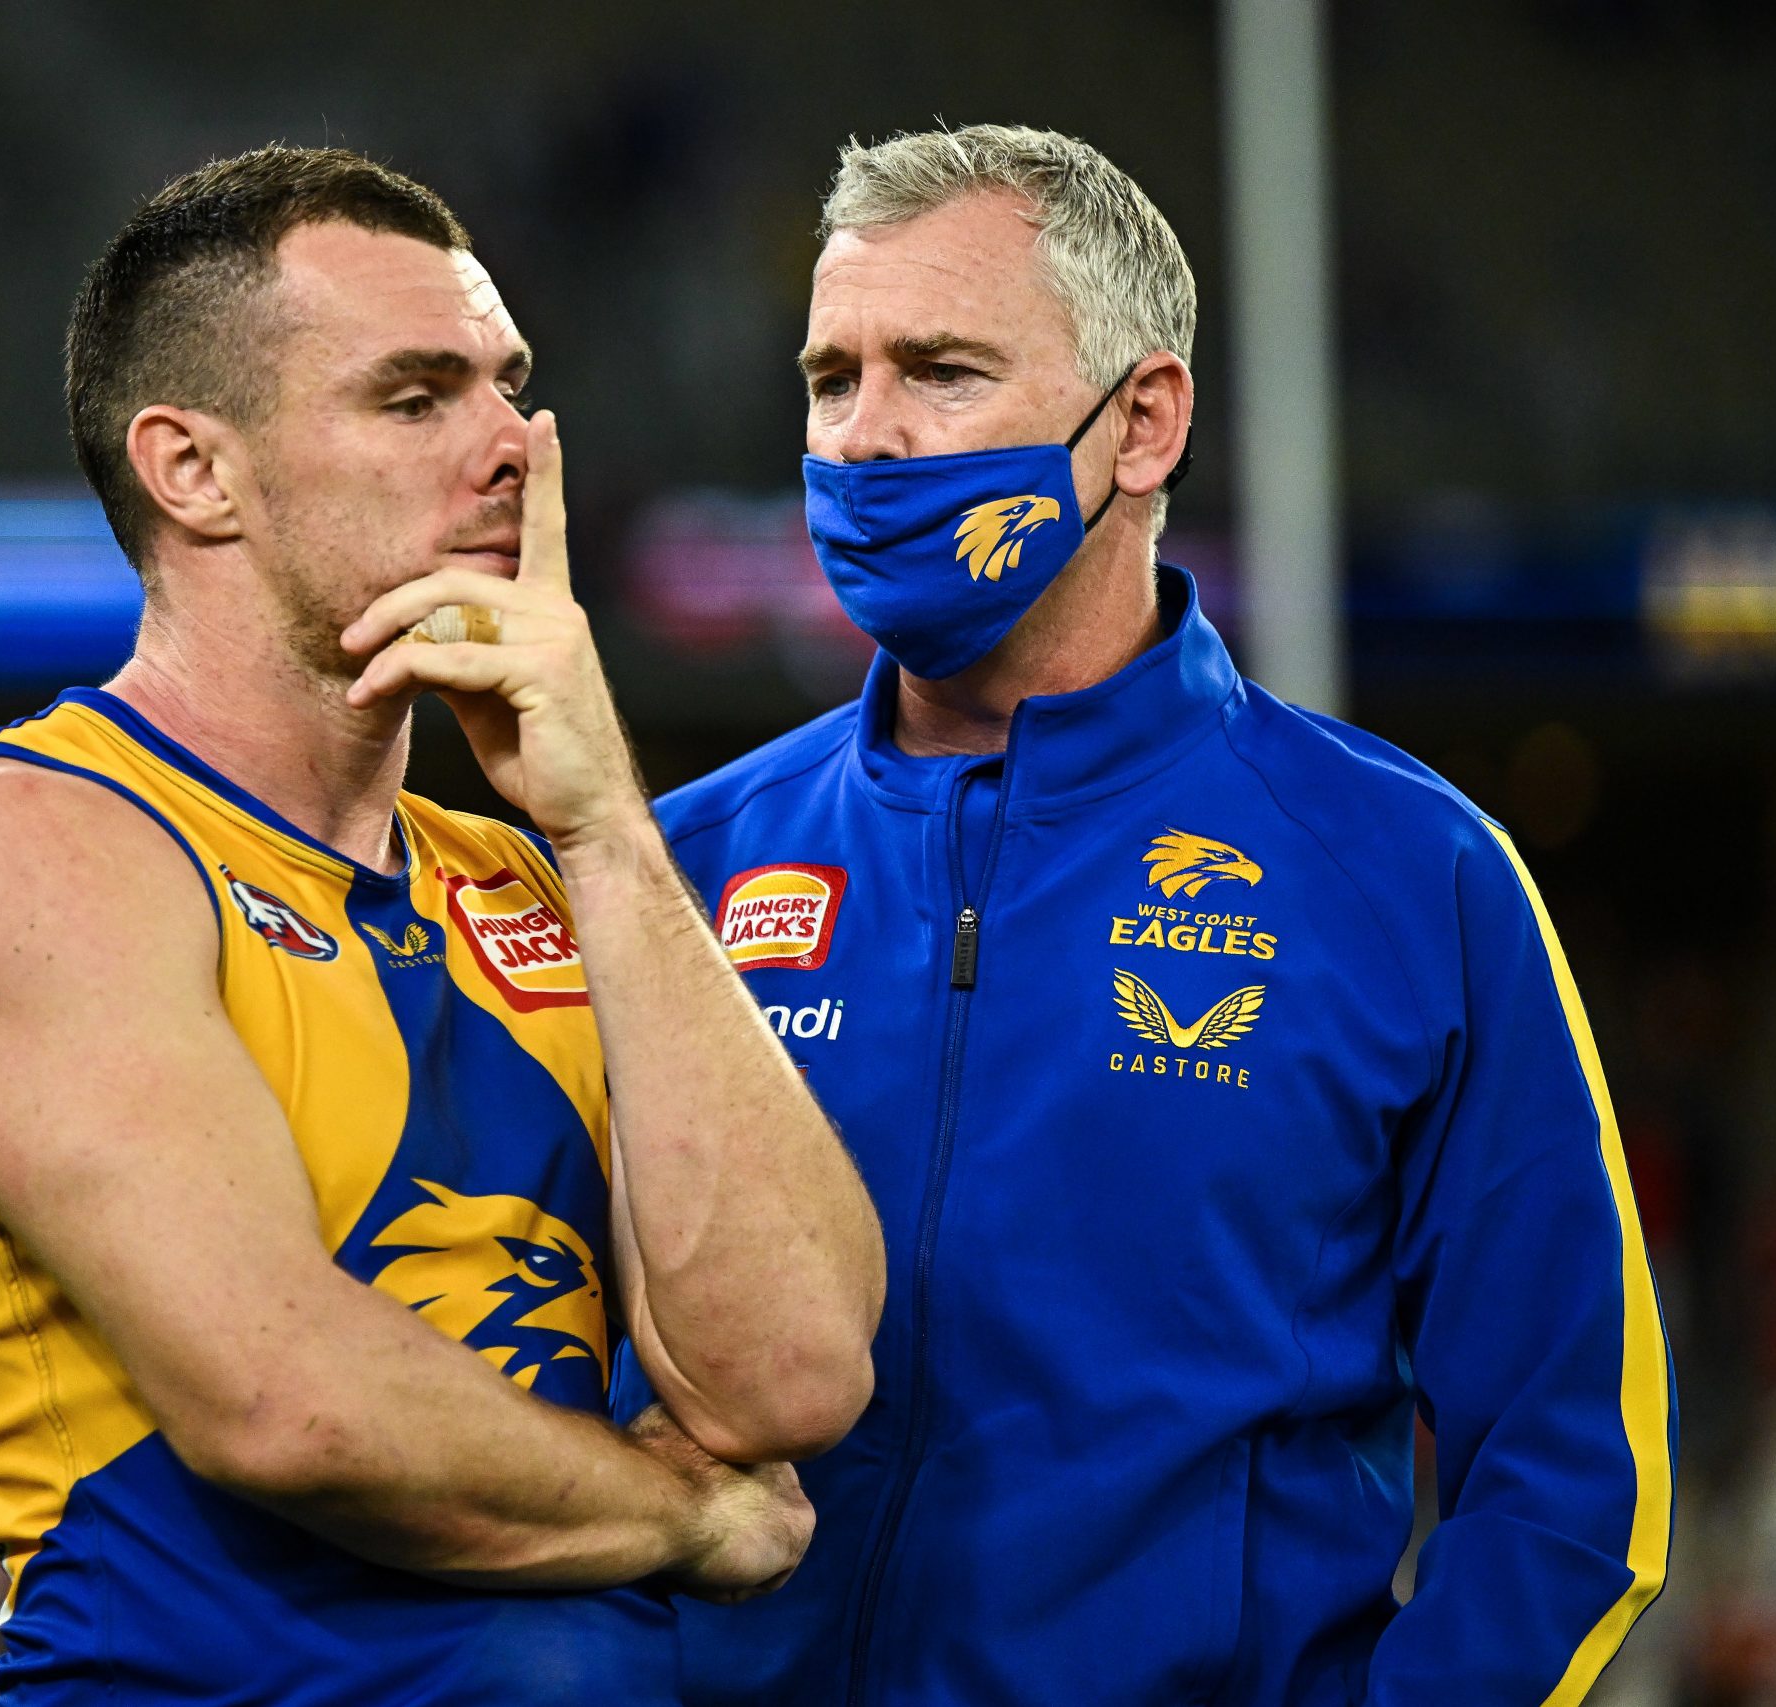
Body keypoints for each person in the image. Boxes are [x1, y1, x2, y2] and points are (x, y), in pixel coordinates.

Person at [0, 146, 883, 1706]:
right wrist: (685, 1514)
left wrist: (606, 833)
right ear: (194, 470)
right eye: (415, 397)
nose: (511, 446)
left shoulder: (534, 877)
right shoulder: (30, 850)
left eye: (509, 387)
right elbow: (282, 1400)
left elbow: (791, 1375)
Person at [613, 124, 1676, 1705]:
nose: (867, 437)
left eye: (942, 372)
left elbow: (1575, 1473)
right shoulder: (675, 871)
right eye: (833, 378)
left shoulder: (1411, 877)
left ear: (1145, 422)